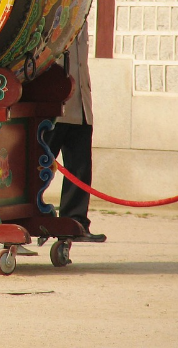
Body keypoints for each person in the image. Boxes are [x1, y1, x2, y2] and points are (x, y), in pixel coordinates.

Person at [46, 21, 106, 243]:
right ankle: (21, 220)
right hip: (53, 107)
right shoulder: (55, 13)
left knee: (80, 168)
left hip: (80, 106)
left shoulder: (81, 17)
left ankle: (75, 221)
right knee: (35, 168)